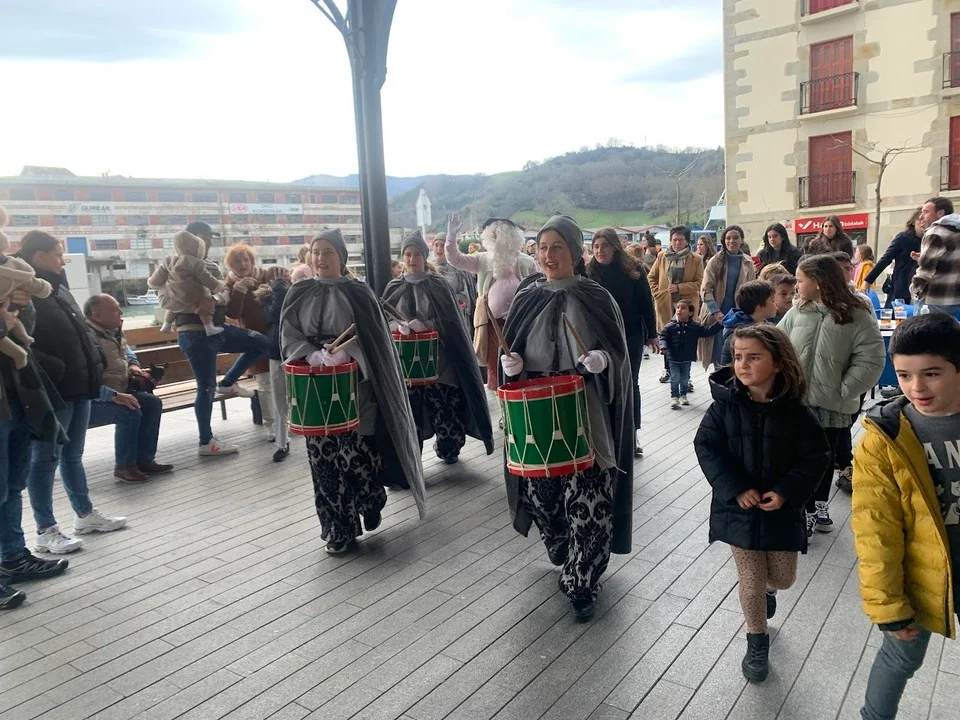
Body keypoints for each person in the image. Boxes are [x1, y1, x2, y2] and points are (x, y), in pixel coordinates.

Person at [498, 215, 633, 622]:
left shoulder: (596, 296)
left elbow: (618, 354)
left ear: (575, 252)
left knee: (589, 499)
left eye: (557, 246)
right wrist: (511, 365)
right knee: (542, 497)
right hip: (535, 411)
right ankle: (560, 546)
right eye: (542, 247)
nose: (548, 255)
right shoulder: (526, 296)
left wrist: (603, 359)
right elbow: (513, 348)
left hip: (585, 406)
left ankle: (582, 582)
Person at [695, 324, 829, 682]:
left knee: (783, 578)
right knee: (751, 579)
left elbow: (816, 455)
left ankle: (771, 591)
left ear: (778, 363)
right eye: (738, 357)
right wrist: (735, 488)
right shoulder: (723, 406)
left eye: (753, 357)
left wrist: (786, 491)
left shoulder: (797, 413)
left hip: (780, 510)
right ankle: (757, 640)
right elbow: (706, 446)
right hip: (737, 509)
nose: (742, 364)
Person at [280, 228, 425, 555]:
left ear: (341, 258)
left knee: (356, 456)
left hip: (357, 389)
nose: (321, 258)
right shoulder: (298, 292)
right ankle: (339, 529)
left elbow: (376, 342)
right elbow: (288, 335)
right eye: (316, 252)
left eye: (328, 252)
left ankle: (371, 498)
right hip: (314, 389)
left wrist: (350, 355)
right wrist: (310, 354)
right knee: (324, 464)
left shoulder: (359, 292)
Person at [851, 313, 960, 720]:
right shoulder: (885, 438)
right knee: (901, 657)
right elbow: (875, 528)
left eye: (931, 373)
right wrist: (888, 605)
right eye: (904, 375)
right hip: (919, 570)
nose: (917, 388)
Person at [17, 231, 126, 555]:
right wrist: (56, 368)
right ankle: (45, 529)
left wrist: (94, 361)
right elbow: (23, 340)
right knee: (44, 459)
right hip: (55, 389)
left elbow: (78, 332)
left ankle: (84, 514)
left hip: (81, 385)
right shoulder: (24, 289)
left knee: (73, 455)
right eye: (57, 254)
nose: (62, 261)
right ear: (38, 257)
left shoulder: (57, 287)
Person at [778, 254, 885, 537]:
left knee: (823, 459)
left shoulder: (856, 313)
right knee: (796, 457)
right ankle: (802, 508)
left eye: (800, 280)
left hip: (832, 405)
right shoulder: (798, 312)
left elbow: (872, 358)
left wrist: (844, 389)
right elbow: (777, 344)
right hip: (798, 401)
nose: (797, 286)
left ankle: (818, 506)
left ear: (818, 282)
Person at [149, 221, 272, 456]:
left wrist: (213, 300)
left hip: (217, 328)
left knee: (262, 342)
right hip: (194, 333)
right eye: (206, 237)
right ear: (193, 239)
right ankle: (206, 442)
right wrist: (200, 301)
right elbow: (165, 297)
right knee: (205, 387)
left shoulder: (203, 265)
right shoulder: (176, 265)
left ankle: (228, 382)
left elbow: (221, 296)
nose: (209, 242)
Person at [0, 216, 69, 606]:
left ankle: (13, 556)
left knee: (11, 484)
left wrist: (19, 309)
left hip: (16, 395)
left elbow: (25, 332)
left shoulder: (9, 273)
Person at [382, 230, 493, 464]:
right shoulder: (393, 287)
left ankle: (448, 447)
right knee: (412, 412)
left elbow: (452, 321)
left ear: (425, 256)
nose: (412, 259)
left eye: (416, 254)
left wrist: (428, 325)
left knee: (445, 409)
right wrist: (398, 326)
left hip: (441, 363)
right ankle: (413, 456)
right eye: (407, 254)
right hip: (407, 367)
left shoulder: (439, 285)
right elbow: (384, 321)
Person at [85, 294, 174, 483]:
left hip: (121, 390)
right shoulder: (86, 337)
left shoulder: (114, 331)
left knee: (152, 403)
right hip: (92, 399)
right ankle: (124, 467)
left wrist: (134, 365)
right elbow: (84, 380)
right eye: (114, 310)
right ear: (96, 315)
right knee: (129, 411)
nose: (121, 312)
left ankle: (144, 460)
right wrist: (113, 395)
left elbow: (127, 351)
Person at [587, 228, 659, 456]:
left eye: (605, 245)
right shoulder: (588, 273)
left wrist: (652, 333)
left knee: (630, 383)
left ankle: (632, 432)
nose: (600, 250)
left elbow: (646, 302)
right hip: (600, 338)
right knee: (602, 384)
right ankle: (606, 433)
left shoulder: (633, 270)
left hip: (631, 334)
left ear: (615, 247)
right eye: (596, 246)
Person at [445, 213, 537, 391]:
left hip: (522, 325)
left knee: (522, 364)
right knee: (495, 367)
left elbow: (538, 287)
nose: (496, 240)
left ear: (511, 237)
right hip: (492, 325)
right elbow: (455, 259)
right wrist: (451, 236)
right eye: (493, 235)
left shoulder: (527, 261)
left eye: (499, 235)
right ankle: (500, 399)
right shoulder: (482, 259)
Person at [222, 243, 277, 443]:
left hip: (275, 336)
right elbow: (233, 313)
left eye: (246, 259)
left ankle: (284, 421)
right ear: (231, 265)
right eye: (237, 261)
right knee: (265, 383)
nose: (243, 264)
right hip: (253, 339)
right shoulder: (229, 284)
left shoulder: (265, 276)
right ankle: (272, 426)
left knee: (281, 381)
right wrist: (240, 289)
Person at [649, 226, 705, 385]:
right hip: (666, 303)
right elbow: (652, 277)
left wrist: (680, 287)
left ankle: (686, 376)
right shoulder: (662, 256)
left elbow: (699, 282)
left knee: (685, 339)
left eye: (680, 240)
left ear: (687, 241)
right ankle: (667, 369)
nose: (677, 243)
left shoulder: (696, 259)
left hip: (686, 305)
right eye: (674, 240)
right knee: (668, 336)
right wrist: (657, 293)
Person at [699, 225, 757, 370]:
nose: (732, 241)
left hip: (738, 316)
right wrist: (716, 312)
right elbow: (706, 289)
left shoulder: (748, 262)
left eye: (736, 238)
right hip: (718, 316)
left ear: (742, 240)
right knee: (719, 358)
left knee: (736, 355)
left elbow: (752, 290)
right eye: (728, 238)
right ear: (724, 241)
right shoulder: (715, 261)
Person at [152, 230, 225, 336]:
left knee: (173, 307)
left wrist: (152, 283)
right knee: (205, 306)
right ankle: (209, 327)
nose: (209, 243)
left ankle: (166, 324)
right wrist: (218, 287)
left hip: (175, 294)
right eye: (205, 240)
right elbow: (207, 278)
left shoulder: (169, 260)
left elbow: (158, 275)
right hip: (192, 307)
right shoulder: (197, 264)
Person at [254, 266, 292, 462]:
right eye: (278, 278)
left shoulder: (296, 294)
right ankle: (282, 443)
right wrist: (279, 288)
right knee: (279, 399)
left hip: (295, 350)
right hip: (278, 351)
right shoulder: (265, 299)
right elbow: (277, 314)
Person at [659, 299, 722, 409]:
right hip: (673, 358)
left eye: (683, 308)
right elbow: (663, 337)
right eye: (678, 308)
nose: (679, 310)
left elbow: (706, 331)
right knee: (675, 378)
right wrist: (663, 347)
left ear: (691, 313)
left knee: (684, 378)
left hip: (687, 358)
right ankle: (674, 397)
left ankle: (683, 395)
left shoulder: (694, 327)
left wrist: (719, 324)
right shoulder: (670, 327)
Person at [910, 198, 960, 317]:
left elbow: (925, 269)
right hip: (953, 297)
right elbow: (951, 260)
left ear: (940, 213)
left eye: (926, 212)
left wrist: (915, 290)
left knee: (922, 328)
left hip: (933, 298)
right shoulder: (956, 231)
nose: (921, 216)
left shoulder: (936, 233)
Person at [864, 209, 922, 308]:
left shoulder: (930, 240)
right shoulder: (903, 238)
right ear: (913, 221)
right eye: (920, 219)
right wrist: (868, 280)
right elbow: (885, 259)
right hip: (901, 285)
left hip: (920, 287)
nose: (923, 223)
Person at [719, 280, 778, 366]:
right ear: (760, 306)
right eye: (772, 300)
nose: (776, 304)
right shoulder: (735, 337)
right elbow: (725, 369)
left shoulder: (770, 329)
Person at [432, 233, 477, 332]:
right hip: (435, 320)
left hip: (458, 317)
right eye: (436, 245)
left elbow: (466, 296)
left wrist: (448, 301)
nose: (439, 249)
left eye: (443, 245)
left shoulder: (459, 268)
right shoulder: (428, 268)